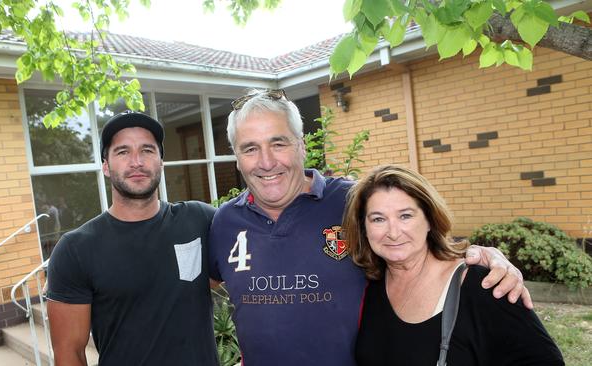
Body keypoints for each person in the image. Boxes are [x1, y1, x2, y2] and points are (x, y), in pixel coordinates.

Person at [208, 89, 532, 366]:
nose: (266, 161)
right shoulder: (224, 222)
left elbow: (413, 240)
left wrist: (482, 256)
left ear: (301, 145)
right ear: (236, 158)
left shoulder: (354, 202)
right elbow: (192, 292)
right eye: (250, 148)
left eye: (278, 143)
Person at [344, 165, 563, 365]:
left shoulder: (484, 286)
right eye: (378, 219)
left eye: (406, 216)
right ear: (364, 227)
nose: (393, 232)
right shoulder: (369, 287)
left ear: (429, 219)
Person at [46, 111, 219, 366]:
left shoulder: (199, 220)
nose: (136, 162)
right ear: (105, 165)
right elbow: (69, 353)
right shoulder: (75, 250)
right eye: (123, 152)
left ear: (161, 161)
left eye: (147, 150)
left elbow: (256, 245)